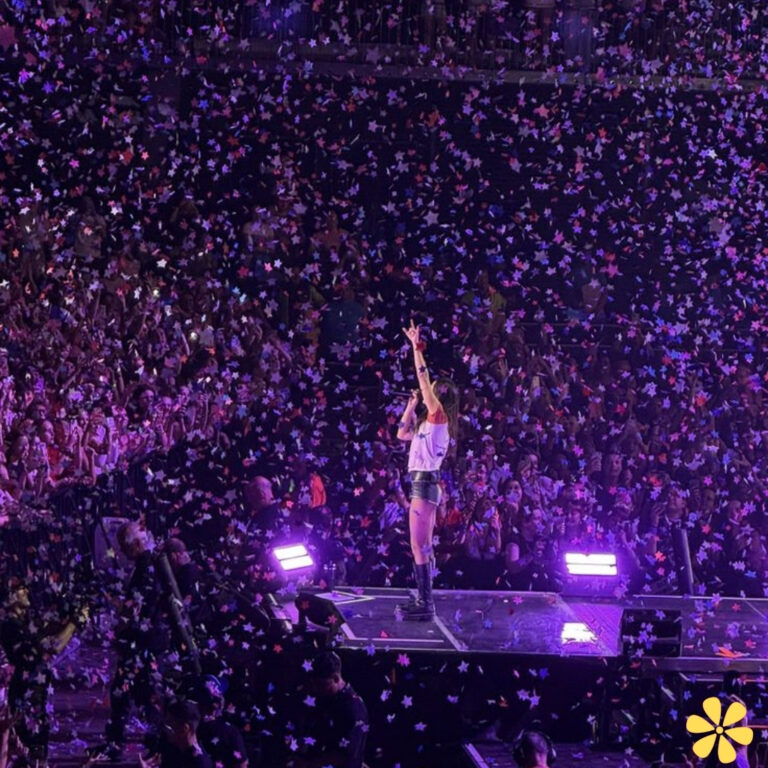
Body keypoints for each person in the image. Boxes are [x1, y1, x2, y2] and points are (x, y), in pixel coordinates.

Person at [91, 522, 172, 761]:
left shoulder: (146, 568)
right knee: (126, 694)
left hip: (143, 643)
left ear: (136, 544)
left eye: (124, 546)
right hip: (144, 642)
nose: (123, 552)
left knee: (143, 695)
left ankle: (153, 746)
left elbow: (141, 607)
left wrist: (123, 619)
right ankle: (123, 743)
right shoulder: (148, 565)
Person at [396, 320, 459, 621]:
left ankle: (425, 602)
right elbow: (401, 434)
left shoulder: (438, 417)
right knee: (421, 545)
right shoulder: (427, 425)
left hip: (424, 485)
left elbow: (423, 378)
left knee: (418, 545)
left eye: (432, 391)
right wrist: (410, 406)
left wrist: (416, 347)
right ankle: (425, 600)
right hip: (424, 484)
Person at [0, 579, 88, 767]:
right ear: (9, 597)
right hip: (25, 693)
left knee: (38, 745)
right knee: (30, 748)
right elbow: (52, 646)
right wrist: (75, 622)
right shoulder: (10, 626)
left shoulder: (27, 620)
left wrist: (71, 613)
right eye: (20, 589)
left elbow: (50, 628)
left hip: (37, 692)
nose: (26, 591)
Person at [289, 651, 368, 768]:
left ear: (336, 678)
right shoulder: (329, 700)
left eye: (321, 684)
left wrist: (309, 764)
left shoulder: (352, 708)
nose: (317, 689)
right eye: (314, 684)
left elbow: (344, 754)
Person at [140, 699, 214, 768]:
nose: (165, 728)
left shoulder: (198, 763)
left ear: (184, 728)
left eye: (169, 723)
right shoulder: (175, 750)